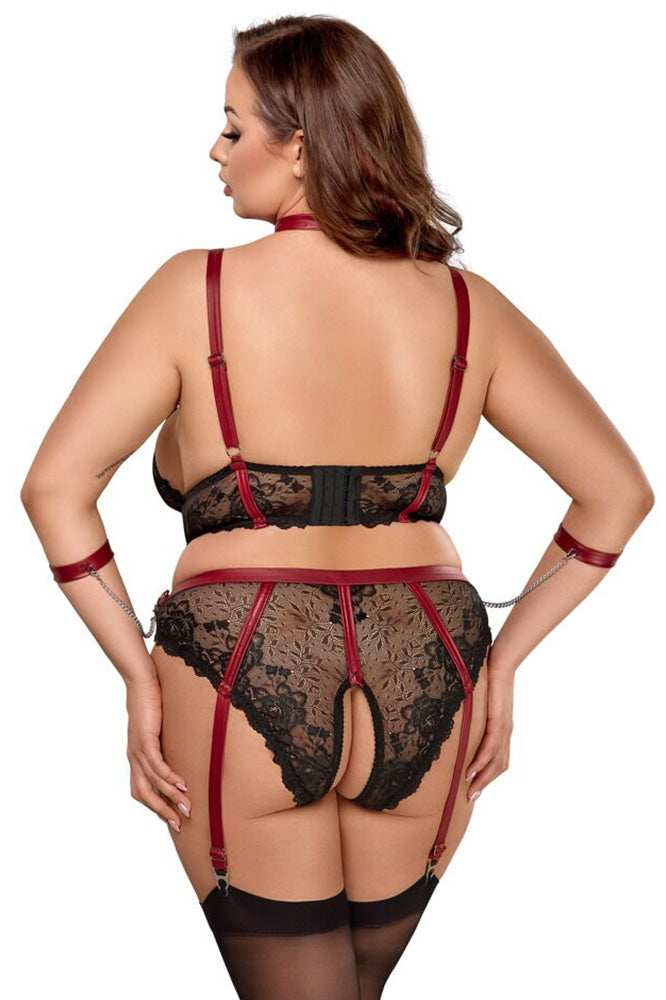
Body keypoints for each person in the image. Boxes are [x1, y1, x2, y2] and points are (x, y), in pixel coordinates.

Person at [20, 14, 654, 1000]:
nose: (216, 151)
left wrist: (136, 676)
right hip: (431, 652)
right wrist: (506, 661)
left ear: (301, 143)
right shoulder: (467, 305)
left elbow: (55, 487)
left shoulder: (195, 288)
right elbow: (618, 493)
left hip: (241, 647)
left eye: (234, 126)